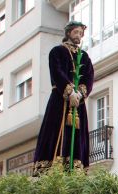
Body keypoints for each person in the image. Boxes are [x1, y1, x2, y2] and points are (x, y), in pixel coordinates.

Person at [33, 21, 94, 175]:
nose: (78, 36)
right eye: (76, 32)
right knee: (54, 133)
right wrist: (69, 92)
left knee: (76, 136)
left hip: (77, 104)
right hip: (60, 100)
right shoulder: (57, 52)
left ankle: (75, 168)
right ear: (68, 33)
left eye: (81, 33)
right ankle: (50, 167)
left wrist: (79, 94)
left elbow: (89, 77)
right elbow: (57, 72)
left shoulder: (84, 57)